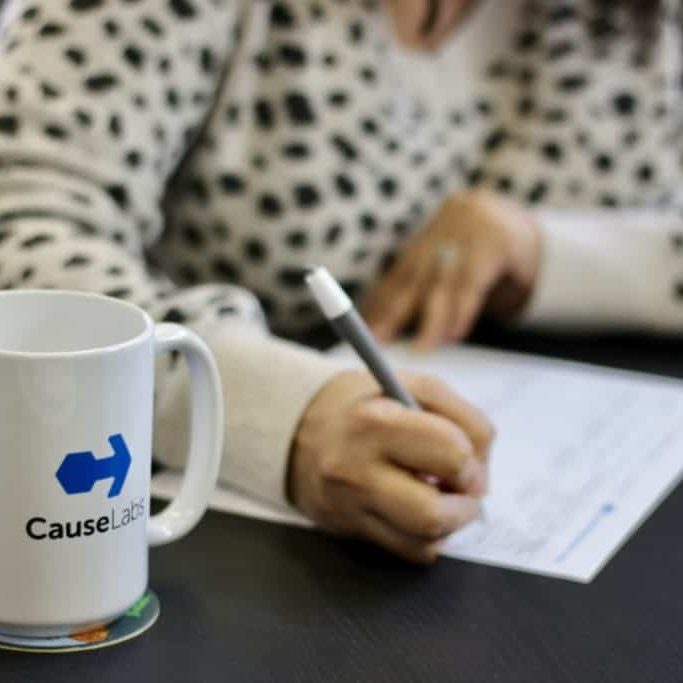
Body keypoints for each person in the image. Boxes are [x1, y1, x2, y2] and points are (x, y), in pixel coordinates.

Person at [0, 0, 678, 562]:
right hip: (213, 544)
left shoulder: (638, 22)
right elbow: (26, 226)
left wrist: (545, 250)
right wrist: (280, 414)